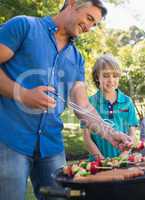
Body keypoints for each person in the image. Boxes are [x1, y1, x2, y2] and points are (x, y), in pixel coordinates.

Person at [0, 1, 135, 199]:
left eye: (95, 24)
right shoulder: (24, 26)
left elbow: (82, 105)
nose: (89, 27)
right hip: (10, 139)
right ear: (72, 3)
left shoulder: (77, 58)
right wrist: (23, 94)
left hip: (51, 145)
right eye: (89, 18)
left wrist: (110, 133)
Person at [83, 54, 139, 159]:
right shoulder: (89, 102)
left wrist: (122, 156)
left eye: (115, 76)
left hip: (123, 160)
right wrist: (102, 160)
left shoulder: (127, 102)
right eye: (105, 76)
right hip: (97, 162)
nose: (111, 80)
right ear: (97, 77)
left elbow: (132, 133)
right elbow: (87, 138)